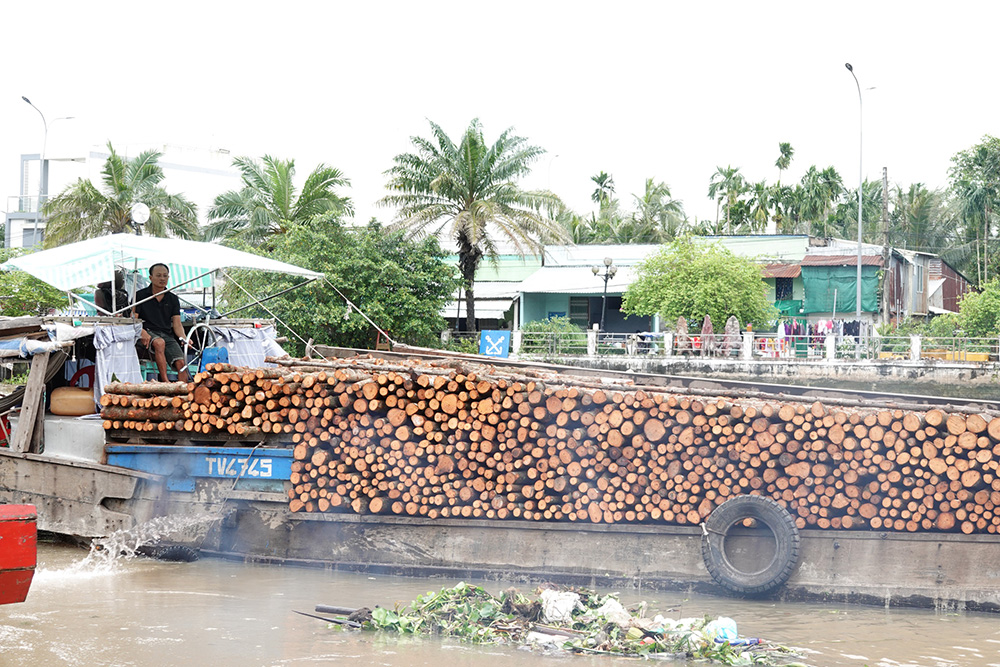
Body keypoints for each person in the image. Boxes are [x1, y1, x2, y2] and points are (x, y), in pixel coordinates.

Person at [132, 263, 191, 382]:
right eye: (158, 275)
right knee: (159, 343)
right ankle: (166, 382)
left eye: (165, 276)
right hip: (148, 333)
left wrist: (184, 338)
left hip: (167, 334)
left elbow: (177, 324)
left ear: (168, 278)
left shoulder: (173, 298)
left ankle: (183, 391)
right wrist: (141, 331)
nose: (162, 278)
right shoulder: (140, 295)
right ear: (151, 278)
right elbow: (133, 318)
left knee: (181, 361)